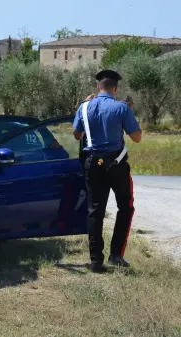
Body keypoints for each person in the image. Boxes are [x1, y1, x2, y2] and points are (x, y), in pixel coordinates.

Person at [72, 69, 142, 273]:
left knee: (95, 212)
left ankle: (95, 261)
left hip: (93, 163)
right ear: (115, 89)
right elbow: (136, 137)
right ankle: (116, 255)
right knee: (126, 207)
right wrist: (127, 112)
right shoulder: (121, 108)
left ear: (97, 87)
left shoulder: (84, 107)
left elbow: (77, 135)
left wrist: (85, 108)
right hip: (117, 164)